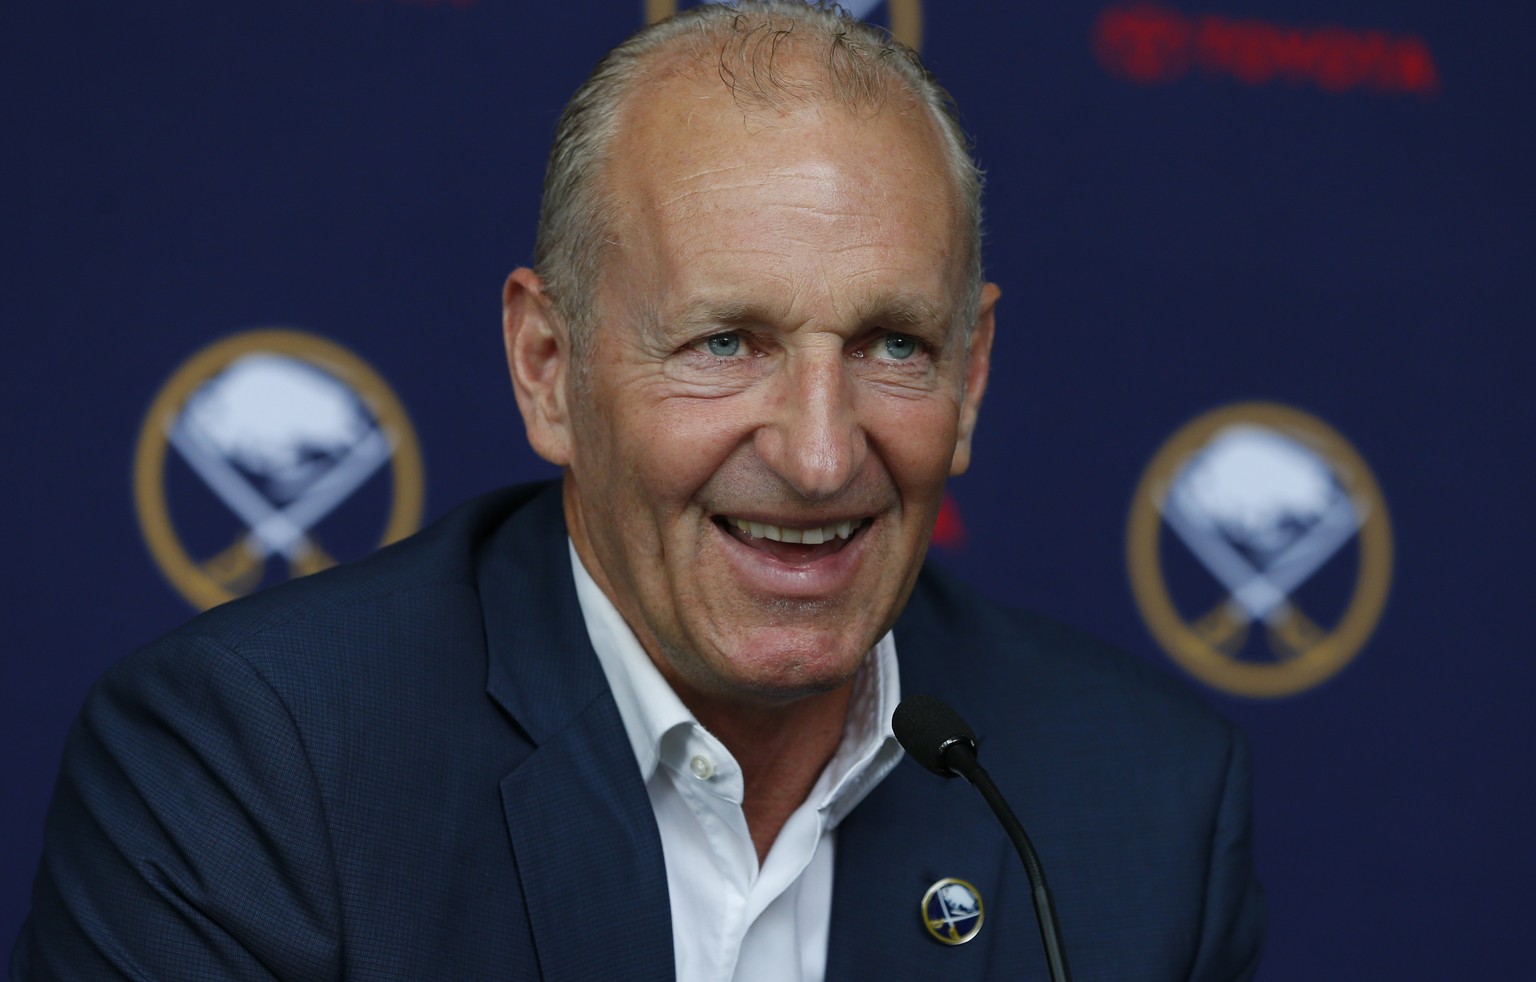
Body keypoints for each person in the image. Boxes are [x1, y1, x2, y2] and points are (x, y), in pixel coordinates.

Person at [13, 3, 1264, 979]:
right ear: (548, 370)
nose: (823, 455)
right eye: (725, 343)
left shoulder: (1142, 804)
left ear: (974, 376)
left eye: (894, 346)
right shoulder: (261, 763)